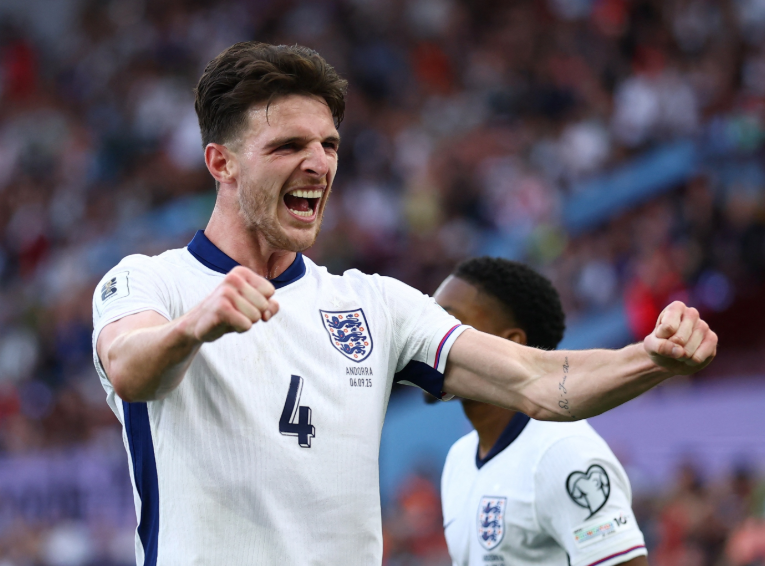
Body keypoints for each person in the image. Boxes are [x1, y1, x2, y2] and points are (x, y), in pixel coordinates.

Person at [91, 42, 716, 565]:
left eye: (329, 145)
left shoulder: (373, 305)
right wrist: (193, 328)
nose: (318, 164)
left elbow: (537, 382)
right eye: (288, 146)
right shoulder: (150, 283)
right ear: (221, 163)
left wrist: (651, 359)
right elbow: (129, 367)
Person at [436, 257, 649, 566]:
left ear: (509, 344)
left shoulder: (562, 451)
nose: (429, 340)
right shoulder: (458, 459)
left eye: (447, 323)